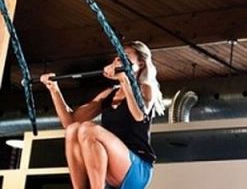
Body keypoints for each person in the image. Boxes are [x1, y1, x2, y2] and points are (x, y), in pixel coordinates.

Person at [40, 41, 165, 189]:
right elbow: (69, 122)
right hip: (112, 163)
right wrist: (54, 90)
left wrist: (124, 79)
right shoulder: (110, 94)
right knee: (73, 130)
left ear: (141, 64)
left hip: (137, 167)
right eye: (117, 57)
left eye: (125, 57)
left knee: (88, 129)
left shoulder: (146, 88)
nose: (119, 60)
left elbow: (139, 115)